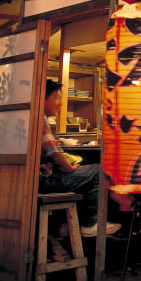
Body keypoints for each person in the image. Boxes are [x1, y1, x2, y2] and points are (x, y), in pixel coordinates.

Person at [39, 80, 121, 238]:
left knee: (90, 173)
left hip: (41, 179)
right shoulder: (39, 120)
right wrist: (69, 168)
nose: (60, 104)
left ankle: (67, 226)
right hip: (45, 182)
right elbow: (54, 152)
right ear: (44, 98)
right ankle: (90, 223)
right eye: (57, 98)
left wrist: (66, 165)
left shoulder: (35, 119)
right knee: (99, 172)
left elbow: (51, 153)